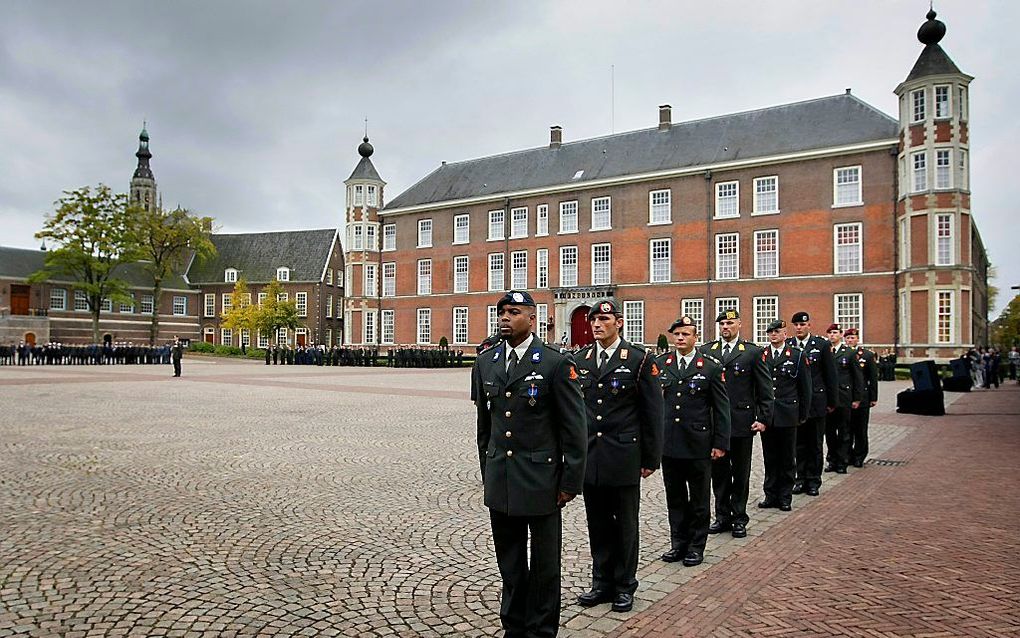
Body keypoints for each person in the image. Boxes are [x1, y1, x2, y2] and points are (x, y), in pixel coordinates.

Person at [472, 290, 586, 638]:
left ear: (532, 318)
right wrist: (488, 472)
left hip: (541, 480)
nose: (505, 318)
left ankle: (540, 629)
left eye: (514, 312)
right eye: (502, 312)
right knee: (510, 561)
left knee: (545, 564)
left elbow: (574, 428)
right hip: (502, 478)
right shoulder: (486, 361)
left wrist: (569, 483)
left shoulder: (554, 362)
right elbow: (485, 429)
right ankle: (514, 624)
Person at [574, 300, 662, 613]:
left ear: (619, 322)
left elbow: (652, 411)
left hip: (624, 453)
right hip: (592, 455)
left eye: (604, 318)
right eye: (593, 319)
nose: (597, 324)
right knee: (597, 523)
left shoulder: (638, 359)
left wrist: (651, 458)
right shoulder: (580, 359)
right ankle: (601, 583)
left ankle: (625, 586)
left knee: (625, 524)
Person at [656, 316, 730, 567]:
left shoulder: (709, 367)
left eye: (685, 334)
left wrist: (720, 443)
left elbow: (721, 409)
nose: (680, 339)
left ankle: (696, 547)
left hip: (698, 443)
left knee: (699, 499)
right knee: (674, 498)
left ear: (695, 337)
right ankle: (678, 543)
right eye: (676, 334)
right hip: (670, 444)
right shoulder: (661, 364)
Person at [699, 309, 772, 539]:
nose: (725, 327)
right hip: (715, 424)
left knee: (740, 473)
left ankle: (739, 517)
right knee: (718, 473)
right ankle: (722, 516)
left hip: (741, 422)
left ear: (739, 324)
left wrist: (763, 418)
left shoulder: (751, 352)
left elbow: (764, 389)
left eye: (730, 323)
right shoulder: (707, 351)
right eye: (722, 324)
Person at [759, 320, 811, 511]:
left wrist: (803, 414)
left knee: (787, 457)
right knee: (770, 457)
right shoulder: (762, 355)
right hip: (768, 415)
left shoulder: (796, 356)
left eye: (777, 331)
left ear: (785, 333)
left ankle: (785, 496)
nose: (773, 335)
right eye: (770, 332)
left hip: (788, 414)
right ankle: (770, 494)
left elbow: (805, 388)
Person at [788, 312, 837, 496]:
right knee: (798, 444)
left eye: (803, 324)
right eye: (796, 325)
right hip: (798, 404)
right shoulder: (790, 345)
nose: (799, 328)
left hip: (817, 402)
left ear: (809, 325)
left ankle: (813, 480)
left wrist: (832, 402)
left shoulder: (822, 345)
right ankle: (800, 479)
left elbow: (830, 375)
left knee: (815, 444)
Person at [824, 324, 863, 474]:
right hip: (828, 399)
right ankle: (832, 460)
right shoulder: (825, 351)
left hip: (844, 398)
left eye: (835, 333)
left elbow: (857, 377)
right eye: (830, 333)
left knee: (844, 431)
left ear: (840, 335)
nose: (832, 335)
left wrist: (857, 398)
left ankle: (843, 461)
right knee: (830, 432)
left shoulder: (849, 353)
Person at [844, 328, 878, 467]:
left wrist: (873, 397)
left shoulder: (867, 355)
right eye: (848, 338)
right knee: (847, 429)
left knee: (860, 429)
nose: (850, 340)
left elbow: (872, 378)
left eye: (852, 338)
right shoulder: (842, 354)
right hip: (846, 397)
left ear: (857, 339)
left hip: (862, 397)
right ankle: (848, 455)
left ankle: (859, 455)